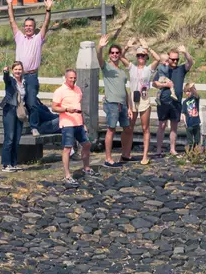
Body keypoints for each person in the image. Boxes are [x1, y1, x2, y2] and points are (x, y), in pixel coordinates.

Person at [5, 0, 59, 135]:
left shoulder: (38, 39)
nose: (28, 27)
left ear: (34, 27)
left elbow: (46, 24)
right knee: (15, 101)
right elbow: (12, 21)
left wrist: (48, 9)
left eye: (31, 26)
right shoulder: (19, 37)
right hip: (18, 76)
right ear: (24, 27)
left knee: (32, 102)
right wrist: (10, 4)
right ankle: (18, 126)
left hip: (31, 76)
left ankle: (34, 126)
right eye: (26, 26)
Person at [51, 68, 94, 185]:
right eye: (71, 78)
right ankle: (67, 175)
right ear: (66, 78)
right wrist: (66, 109)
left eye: (74, 78)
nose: (73, 80)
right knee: (67, 148)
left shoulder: (78, 89)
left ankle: (86, 167)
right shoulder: (60, 91)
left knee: (87, 144)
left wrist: (84, 124)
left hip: (78, 123)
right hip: (67, 123)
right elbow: (54, 107)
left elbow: (79, 108)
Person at [152, 45, 194, 157]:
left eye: (177, 59)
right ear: (168, 58)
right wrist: (165, 84)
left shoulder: (180, 69)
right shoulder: (162, 68)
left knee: (174, 126)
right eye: (173, 59)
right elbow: (154, 83)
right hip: (164, 100)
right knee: (162, 125)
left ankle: (172, 149)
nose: (175, 61)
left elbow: (190, 62)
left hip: (176, 102)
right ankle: (158, 150)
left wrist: (185, 52)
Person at [97, 35, 132, 168]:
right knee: (111, 129)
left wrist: (128, 107)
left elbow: (125, 90)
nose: (115, 55)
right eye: (112, 53)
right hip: (112, 103)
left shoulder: (122, 72)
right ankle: (108, 158)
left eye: (117, 53)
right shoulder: (106, 67)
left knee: (127, 129)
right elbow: (99, 58)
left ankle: (125, 154)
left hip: (123, 104)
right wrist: (100, 47)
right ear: (109, 54)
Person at [127, 40, 161, 164]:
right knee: (129, 127)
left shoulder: (148, 69)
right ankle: (127, 153)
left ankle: (145, 156)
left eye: (142, 55)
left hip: (144, 99)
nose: (140, 57)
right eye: (138, 55)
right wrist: (126, 47)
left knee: (145, 127)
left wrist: (149, 48)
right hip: (133, 99)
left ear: (146, 57)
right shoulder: (132, 68)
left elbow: (158, 59)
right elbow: (120, 57)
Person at [0, 61, 28, 173]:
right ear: (13, 70)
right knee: (10, 137)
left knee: (16, 139)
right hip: (10, 109)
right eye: (16, 69)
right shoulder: (10, 80)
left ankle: (13, 163)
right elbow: (5, 79)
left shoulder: (24, 82)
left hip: (20, 111)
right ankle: (6, 164)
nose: (18, 71)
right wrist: (5, 72)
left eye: (20, 69)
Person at [182, 82, 202, 152]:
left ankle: (196, 153)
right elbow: (183, 113)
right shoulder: (184, 102)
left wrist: (192, 88)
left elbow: (196, 94)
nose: (188, 93)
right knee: (190, 141)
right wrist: (185, 122)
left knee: (197, 140)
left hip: (196, 122)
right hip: (189, 124)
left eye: (189, 91)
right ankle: (189, 154)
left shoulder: (195, 99)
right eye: (187, 91)